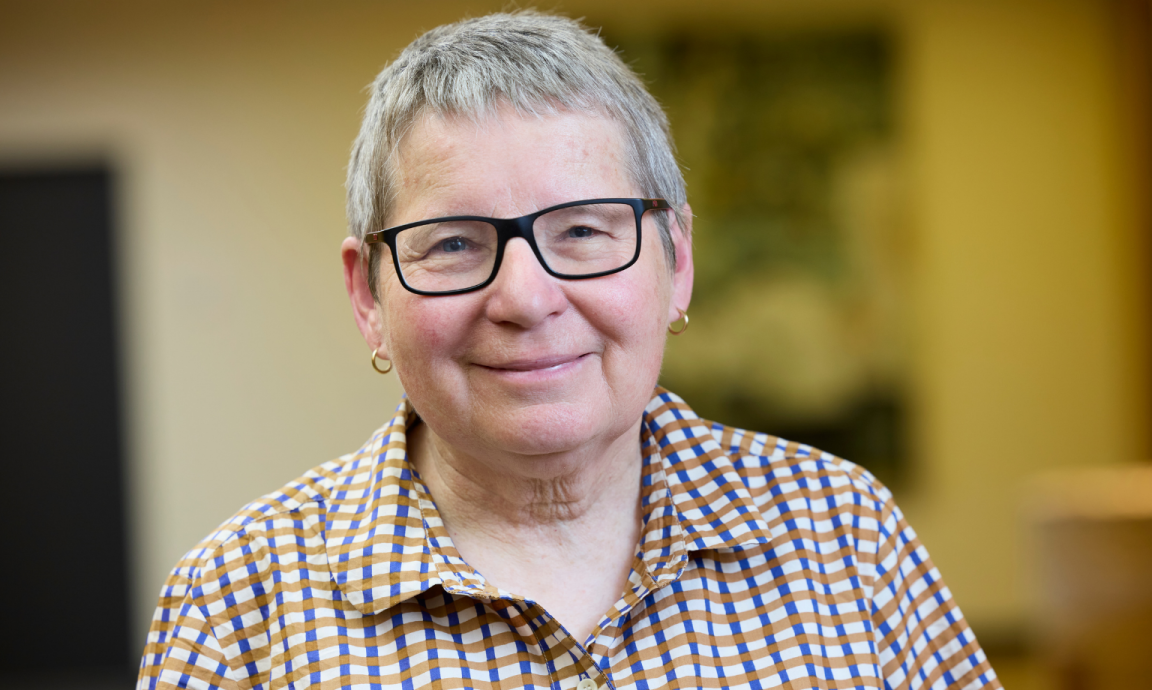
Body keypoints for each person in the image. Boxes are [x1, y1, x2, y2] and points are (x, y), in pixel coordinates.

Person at [137, 11, 999, 690]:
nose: (525, 297)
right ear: (368, 295)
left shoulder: (846, 534)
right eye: (454, 244)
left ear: (678, 263)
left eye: (583, 231)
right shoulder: (236, 609)